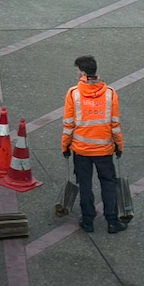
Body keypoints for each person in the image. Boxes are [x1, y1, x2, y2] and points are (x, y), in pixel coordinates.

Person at [61, 54, 126, 234]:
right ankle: (112, 221)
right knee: (108, 184)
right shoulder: (110, 93)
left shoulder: (73, 94)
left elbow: (68, 124)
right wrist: (119, 146)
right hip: (104, 150)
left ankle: (88, 220)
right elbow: (115, 124)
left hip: (81, 150)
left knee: (85, 185)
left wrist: (65, 146)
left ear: (82, 72)